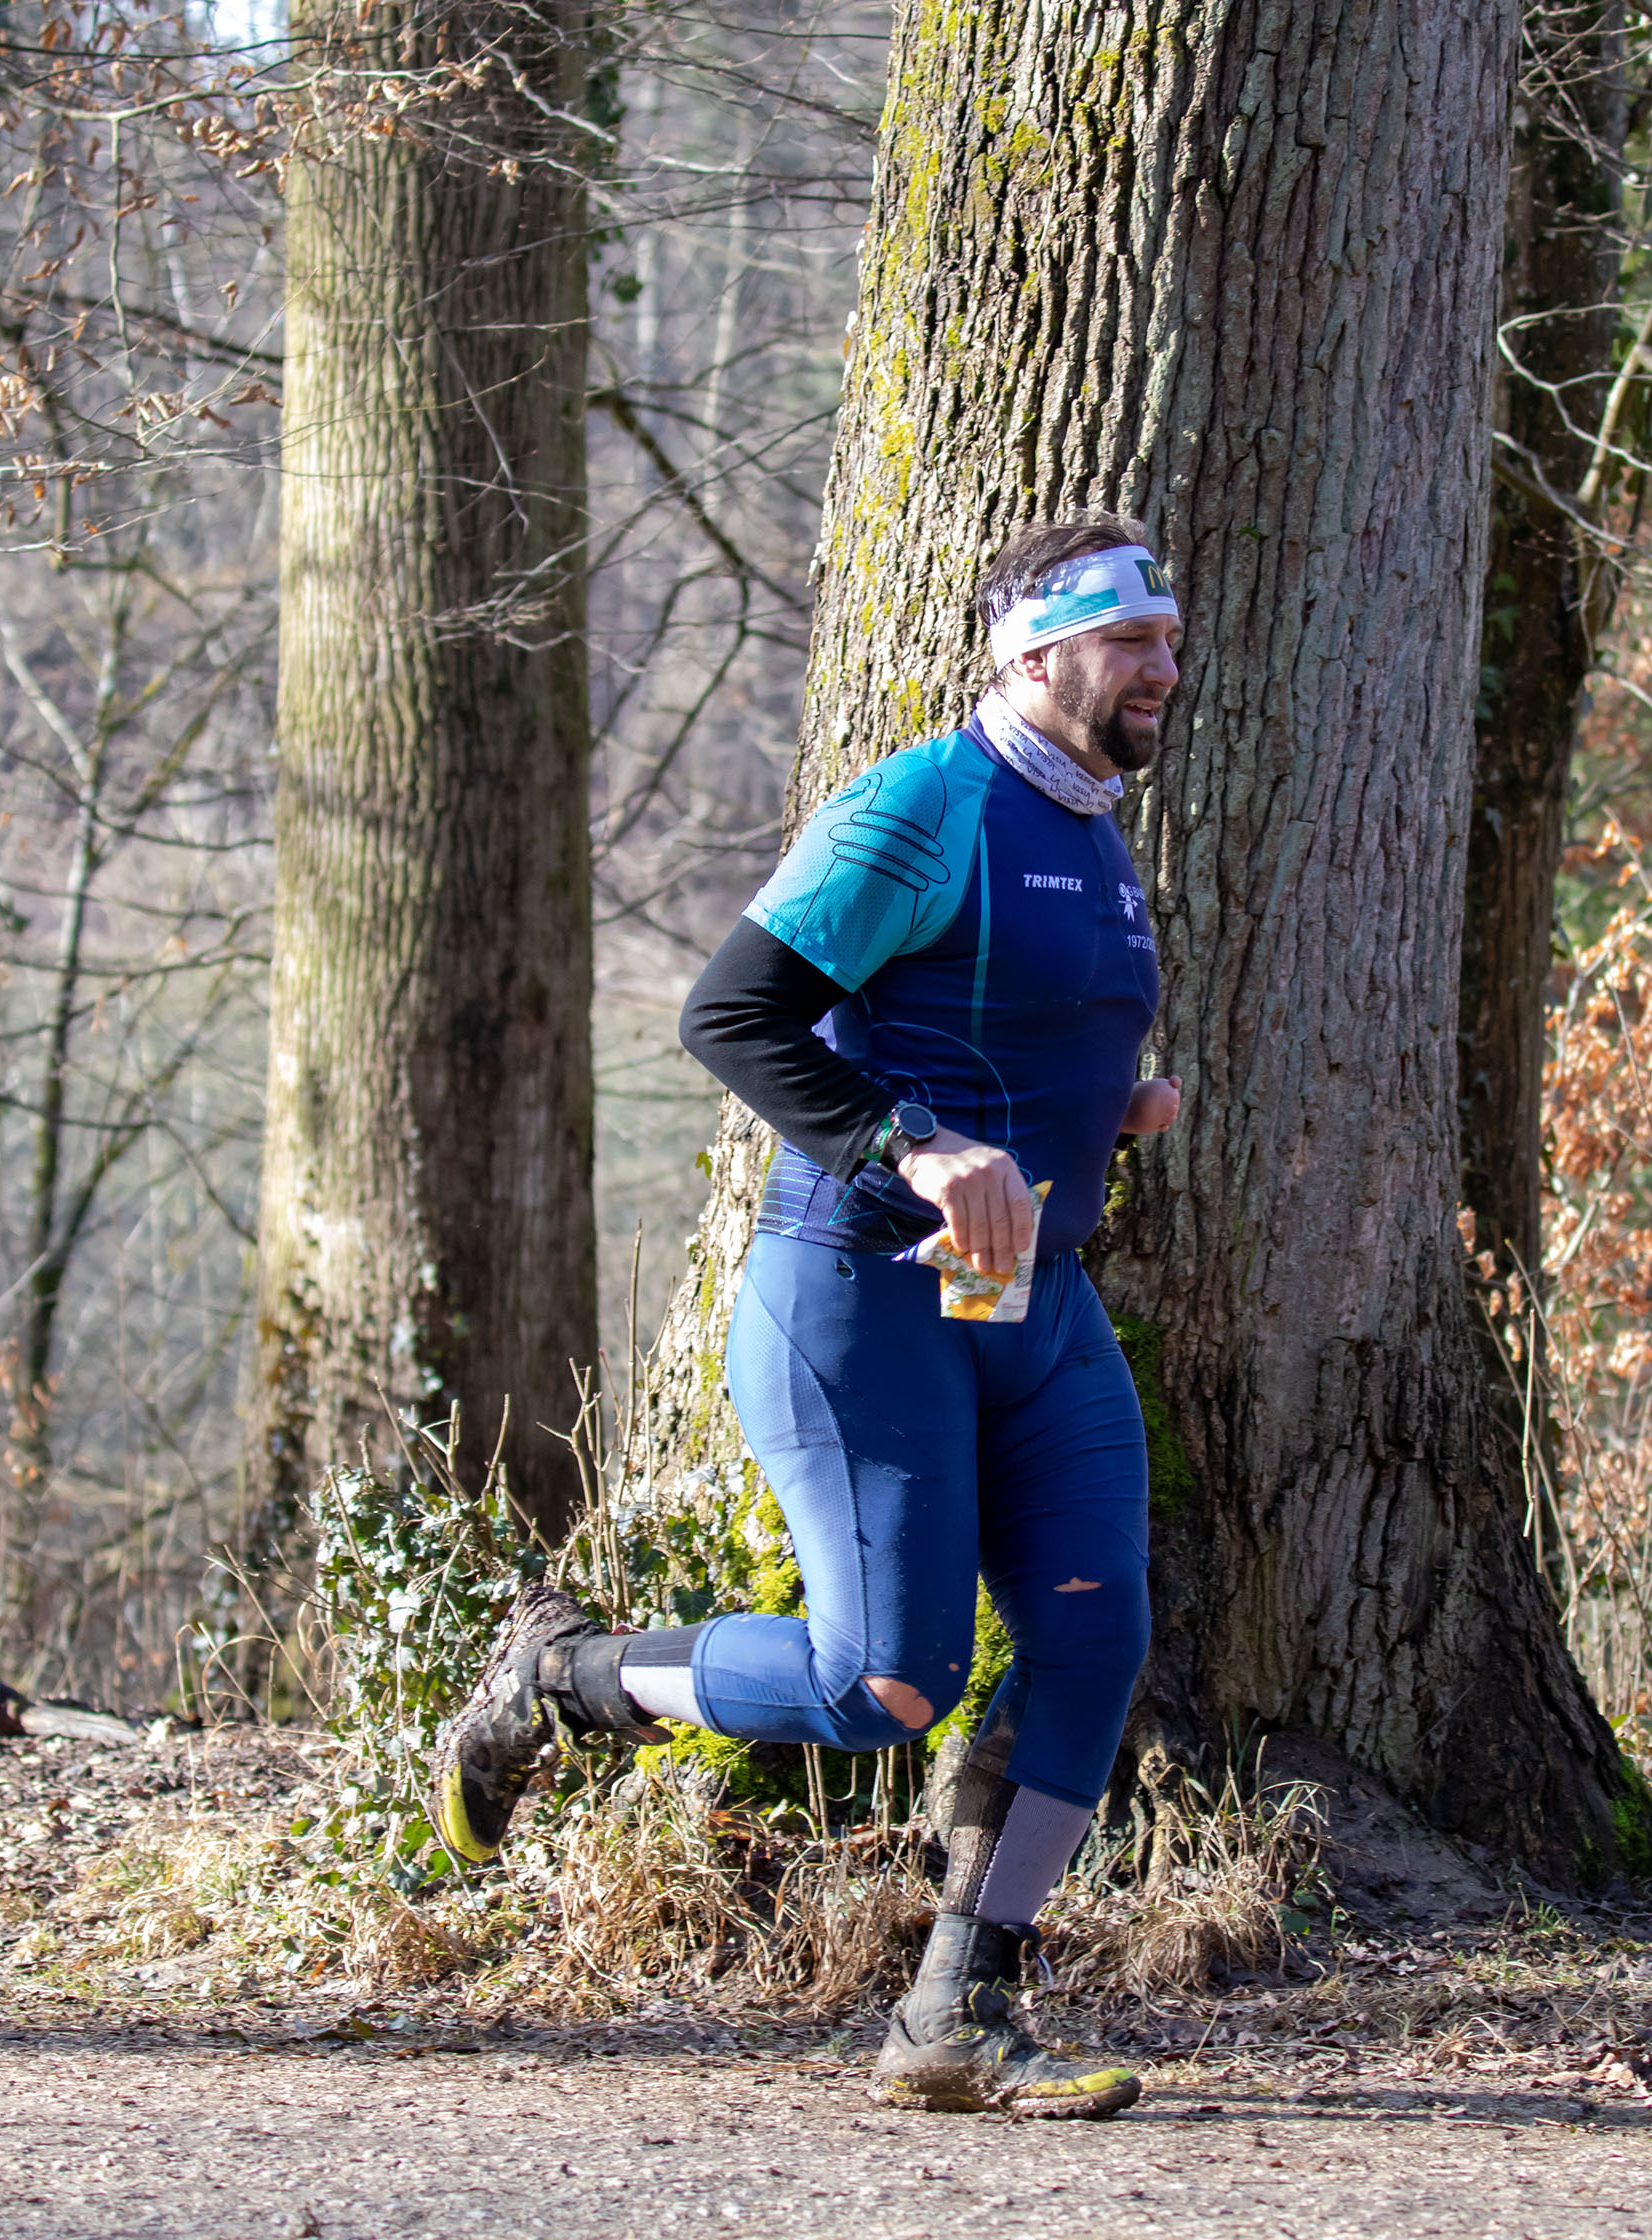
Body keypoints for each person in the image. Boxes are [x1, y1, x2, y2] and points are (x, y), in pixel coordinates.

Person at [427, 513, 1184, 2119]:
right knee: (884, 1683)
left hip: (1028, 1297)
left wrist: (1111, 1109)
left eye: (1169, 642)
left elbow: (994, 1028)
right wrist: (918, 1146)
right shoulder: (925, 806)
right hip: (861, 1289)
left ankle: (958, 2011)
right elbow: (733, 1014)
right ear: (1036, 654)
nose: (1163, 670)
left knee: (1093, 1636)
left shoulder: (1094, 826)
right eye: (1133, 642)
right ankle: (566, 1678)